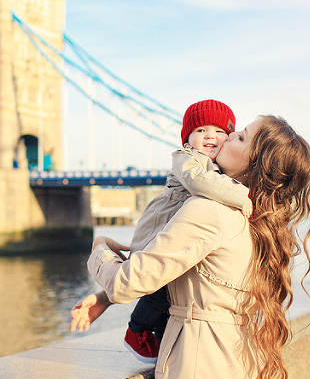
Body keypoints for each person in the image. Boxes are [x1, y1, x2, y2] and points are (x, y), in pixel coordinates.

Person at [72, 115, 310, 379]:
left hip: (197, 374)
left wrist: (99, 247)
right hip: (240, 368)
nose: (229, 134)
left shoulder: (209, 210)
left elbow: (128, 282)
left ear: (255, 166)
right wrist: (105, 298)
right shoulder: (261, 222)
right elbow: (191, 279)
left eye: (241, 136)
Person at [78, 100, 253, 363]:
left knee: (167, 295)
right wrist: (241, 196)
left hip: (173, 237)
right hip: (158, 230)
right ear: (187, 140)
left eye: (220, 132)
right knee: (161, 291)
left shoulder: (218, 172)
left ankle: (157, 340)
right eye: (201, 130)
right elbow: (199, 181)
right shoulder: (187, 159)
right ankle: (137, 330)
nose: (210, 136)